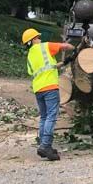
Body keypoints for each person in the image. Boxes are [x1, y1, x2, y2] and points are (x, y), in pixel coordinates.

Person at [21, 28, 74, 161]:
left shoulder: (30, 56)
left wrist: (65, 62)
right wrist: (77, 49)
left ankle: (43, 144)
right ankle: (45, 146)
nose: (40, 39)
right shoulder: (45, 46)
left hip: (38, 89)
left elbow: (47, 68)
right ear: (33, 40)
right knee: (51, 116)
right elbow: (65, 46)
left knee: (44, 116)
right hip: (50, 86)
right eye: (38, 37)